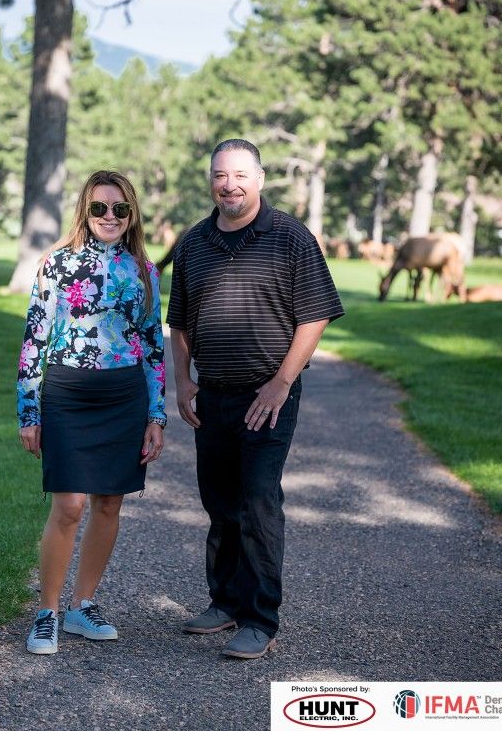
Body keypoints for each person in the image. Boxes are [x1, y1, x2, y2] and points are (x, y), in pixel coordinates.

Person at [167, 139, 343, 659]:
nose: (230, 184)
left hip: (267, 396)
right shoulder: (195, 243)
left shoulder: (289, 236)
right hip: (212, 396)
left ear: (261, 179)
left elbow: (316, 314)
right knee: (220, 503)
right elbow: (180, 322)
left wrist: (281, 382)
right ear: (211, 181)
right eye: (221, 175)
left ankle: (260, 618)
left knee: (259, 501)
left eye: (241, 175)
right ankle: (224, 602)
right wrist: (182, 381)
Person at [17, 170, 166, 655]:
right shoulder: (55, 265)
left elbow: (151, 346)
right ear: (85, 211)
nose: (109, 216)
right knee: (69, 506)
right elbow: (34, 341)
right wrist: (28, 410)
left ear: (131, 215)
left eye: (119, 209)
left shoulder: (145, 270)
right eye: (100, 207)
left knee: (108, 503)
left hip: (124, 397)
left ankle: (82, 606)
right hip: (67, 394)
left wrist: (156, 416)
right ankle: (47, 612)